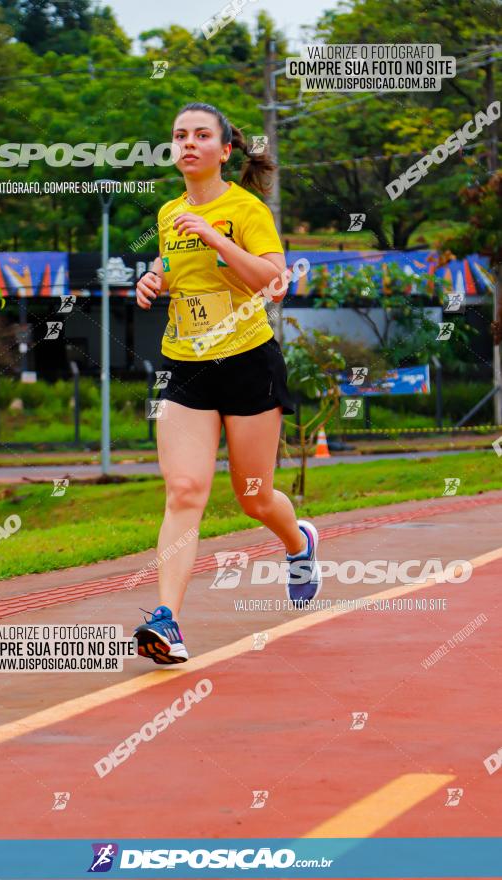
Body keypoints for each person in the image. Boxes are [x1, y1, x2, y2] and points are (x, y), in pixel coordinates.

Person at [133, 102, 321, 665]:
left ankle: (299, 542)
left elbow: (276, 281)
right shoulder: (169, 212)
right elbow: (175, 268)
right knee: (185, 490)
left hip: (248, 362)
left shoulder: (246, 208)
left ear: (225, 149)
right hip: (185, 363)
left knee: (254, 498)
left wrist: (217, 239)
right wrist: (153, 279)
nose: (187, 143)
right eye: (178, 135)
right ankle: (166, 622)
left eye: (200, 135)